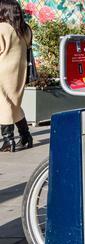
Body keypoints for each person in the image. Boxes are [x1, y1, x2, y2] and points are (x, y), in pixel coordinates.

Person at [0, 0, 33, 152]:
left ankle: (8, 140)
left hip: (3, 70)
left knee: (4, 104)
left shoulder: (2, 28)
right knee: (14, 103)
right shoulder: (25, 29)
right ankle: (25, 136)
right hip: (20, 71)